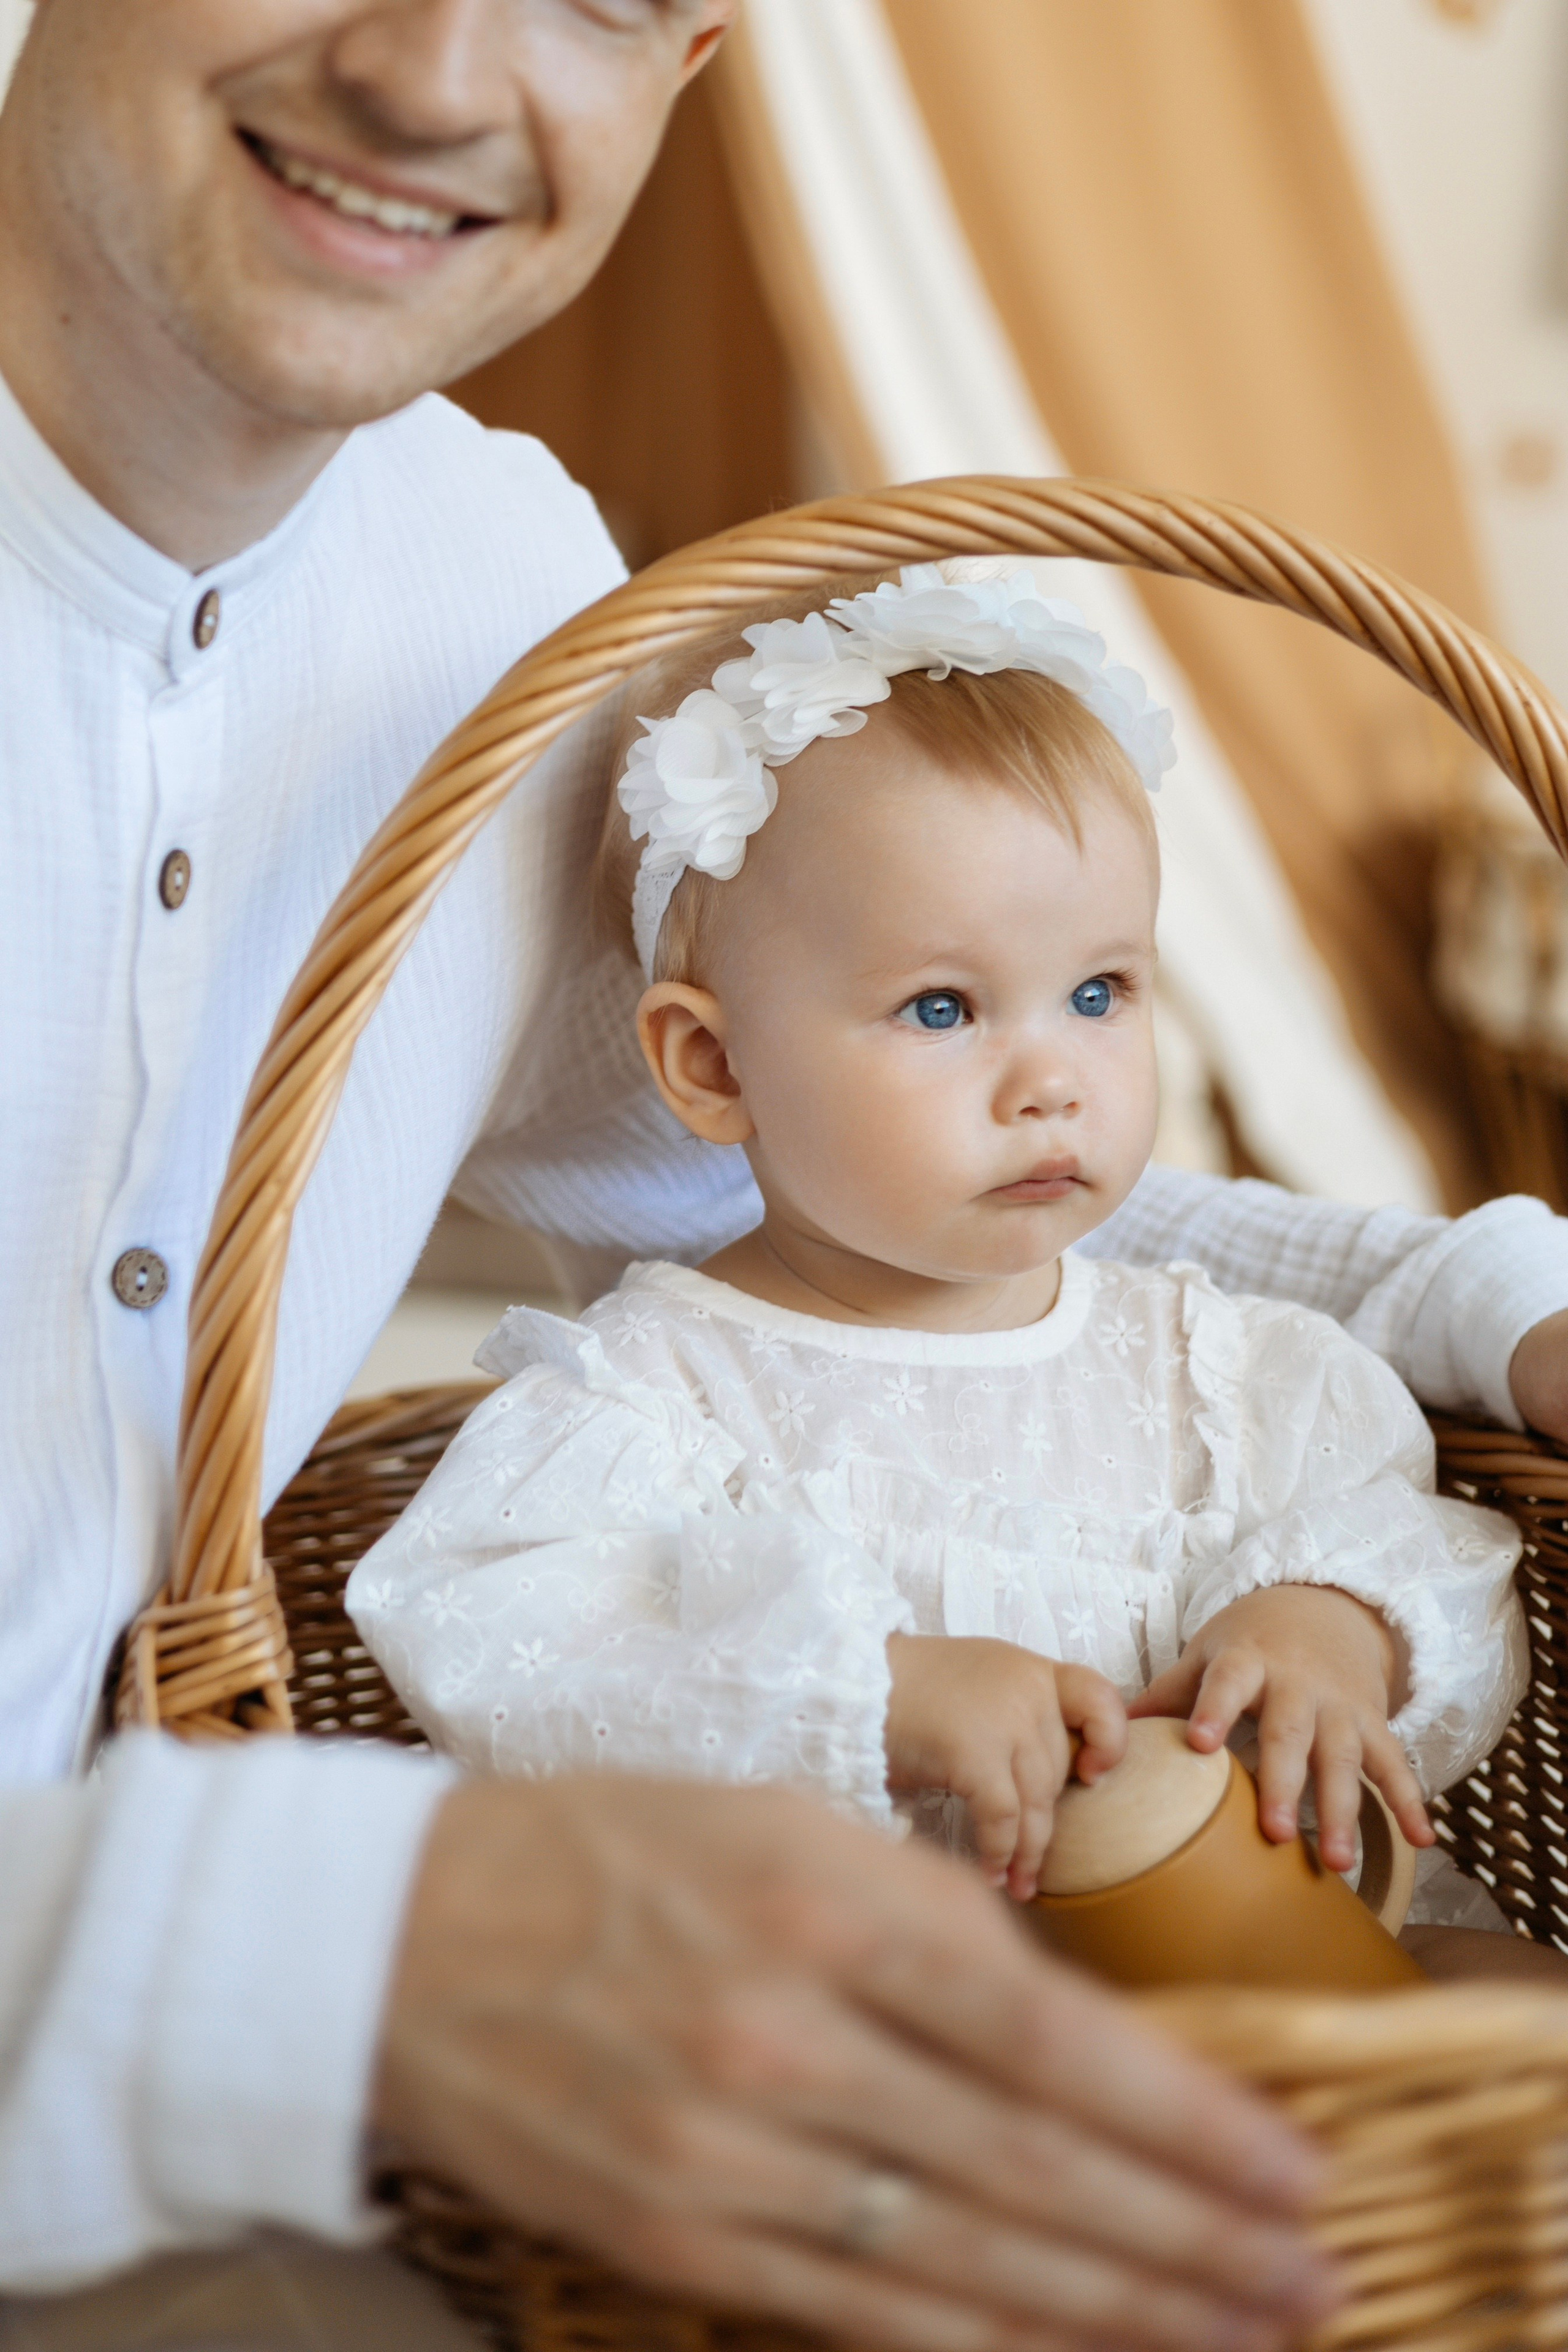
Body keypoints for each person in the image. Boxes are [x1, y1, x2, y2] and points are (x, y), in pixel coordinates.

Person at [0, 2, 1566, 2344]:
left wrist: (1474, 1299)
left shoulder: (501, 604)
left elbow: (920, 1205)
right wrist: (332, 1955)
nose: (436, 75)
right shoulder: (629, 1429)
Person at [347, 564, 1525, 1942]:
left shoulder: (1227, 1369)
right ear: (713, 1064)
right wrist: (870, 1692)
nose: (1049, 1081)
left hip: (1239, 1965)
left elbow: (1414, 1537)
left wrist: (1329, 1623)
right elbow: (503, 1644)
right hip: (858, 2012)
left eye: (1097, 993)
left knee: (1508, 2016)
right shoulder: (650, 1395)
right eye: (940, 1007)